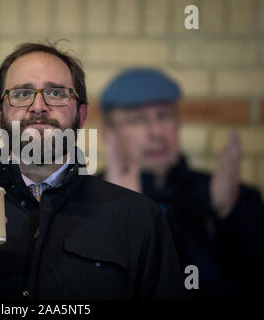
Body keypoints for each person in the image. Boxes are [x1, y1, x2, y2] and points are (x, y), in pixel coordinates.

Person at [0, 42, 185, 300]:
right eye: (22, 94)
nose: (39, 106)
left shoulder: (138, 218)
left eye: (56, 93)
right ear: (0, 116)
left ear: (81, 114)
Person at [99, 68, 264, 299]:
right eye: (138, 120)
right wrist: (118, 224)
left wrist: (232, 214)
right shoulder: (82, 202)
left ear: (178, 124)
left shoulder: (226, 195)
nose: (156, 132)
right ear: (109, 134)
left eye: (164, 116)